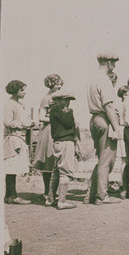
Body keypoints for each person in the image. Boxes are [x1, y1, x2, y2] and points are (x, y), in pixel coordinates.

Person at [85, 52, 122, 205]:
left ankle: (91, 194)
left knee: (102, 159)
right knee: (107, 160)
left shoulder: (93, 78)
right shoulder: (104, 79)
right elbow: (109, 105)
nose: (114, 66)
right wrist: (116, 127)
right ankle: (102, 196)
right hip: (104, 119)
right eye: (113, 63)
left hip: (94, 119)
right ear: (107, 62)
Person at [47, 91, 80, 210]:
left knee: (56, 171)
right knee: (65, 171)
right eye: (65, 100)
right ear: (58, 99)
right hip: (66, 142)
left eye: (68, 100)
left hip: (58, 142)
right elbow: (68, 123)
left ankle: (50, 198)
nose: (67, 102)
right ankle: (62, 201)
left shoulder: (53, 109)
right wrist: (70, 113)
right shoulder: (60, 109)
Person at [33, 74, 63, 203]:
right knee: (48, 161)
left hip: (57, 130)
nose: (60, 86)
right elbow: (41, 117)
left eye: (61, 84)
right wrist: (55, 119)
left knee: (56, 161)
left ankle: (53, 192)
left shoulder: (59, 98)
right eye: (57, 84)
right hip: (49, 131)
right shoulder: (47, 99)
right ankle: (47, 192)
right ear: (51, 85)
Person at [3, 80, 34, 204]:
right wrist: (24, 124)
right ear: (15, 91)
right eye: (22, 90)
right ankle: (13, 196)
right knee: (11, 168)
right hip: (13, 138)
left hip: (19, 137)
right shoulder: (10, 104)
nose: (24, 92)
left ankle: (9, 196)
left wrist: (29, 122)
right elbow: (8, 121)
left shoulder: (19, 104)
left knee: (13, 168)